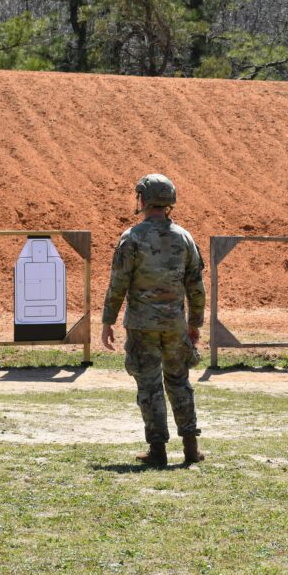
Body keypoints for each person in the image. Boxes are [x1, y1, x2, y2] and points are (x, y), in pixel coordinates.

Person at [101, 174, 207, 468]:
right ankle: (190, 448)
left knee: (149, 385)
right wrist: (195, 323)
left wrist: (107, 320)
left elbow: (118, 283)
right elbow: (196, 286)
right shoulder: (184, 238)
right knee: (179, 381)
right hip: (174, 324)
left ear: (144, 200)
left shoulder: (132, 238)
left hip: (142, 325)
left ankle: (158, 450)